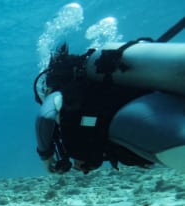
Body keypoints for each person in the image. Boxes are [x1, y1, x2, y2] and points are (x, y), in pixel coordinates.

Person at [34, 42, 185, 175]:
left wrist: (45, 157)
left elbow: (45, 116)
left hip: (138, 120)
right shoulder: (100, 87)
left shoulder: (61, 92)